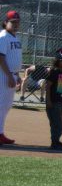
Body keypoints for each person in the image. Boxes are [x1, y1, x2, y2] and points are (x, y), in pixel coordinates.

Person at [0, 10, 23, 145]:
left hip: (10, 74)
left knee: (6, 106)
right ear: (5, 23)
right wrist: (9, 76)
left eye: (17, 22)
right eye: (13, 22)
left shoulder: (14, 38)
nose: (16, 24)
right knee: (2, 105)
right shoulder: (3, 36)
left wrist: (17, 75)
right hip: (3, 75)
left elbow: (13, 59)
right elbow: (1, 58)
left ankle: (1, 133)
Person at [44, 49, 62, 150]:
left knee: (58, 123)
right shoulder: (54, 72)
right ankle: (55, 142)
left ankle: (56, 141)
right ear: (57, 61)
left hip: (59, 102)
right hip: (53, 102)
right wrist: (48, 101)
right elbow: (48, 86)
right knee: (57, 124)